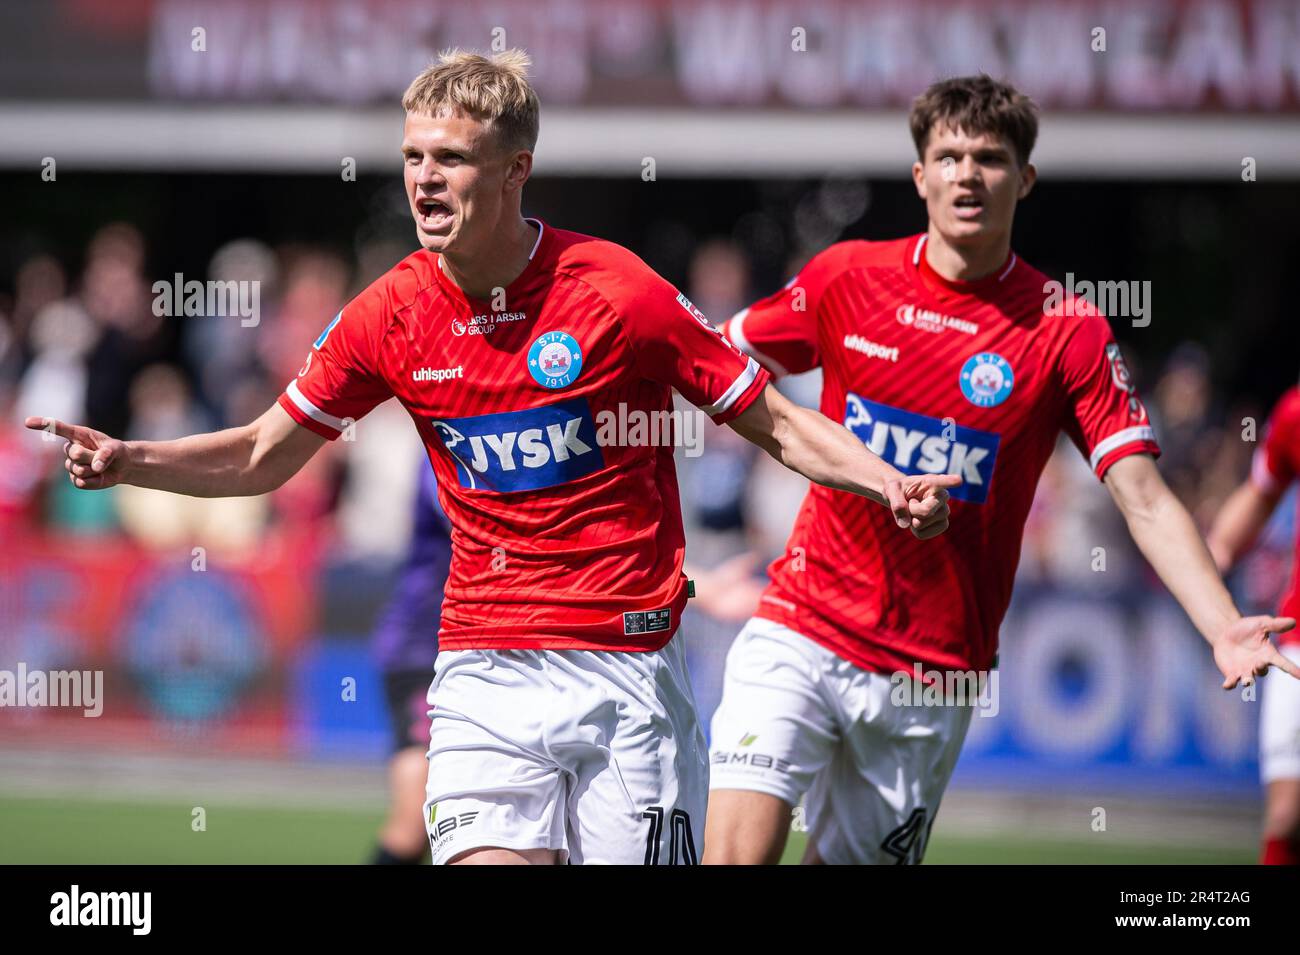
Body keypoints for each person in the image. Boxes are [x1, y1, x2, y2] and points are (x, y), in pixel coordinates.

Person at [25, 49, 956, 865]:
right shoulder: (391, 309)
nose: (425, 181)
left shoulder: (620, 293)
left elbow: (780, 423)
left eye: (452, 160)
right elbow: (265, 452)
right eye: (413, 158)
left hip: (625, 672)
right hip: (483, 664)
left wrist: (887, 479)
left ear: (516, 171)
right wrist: (130, 457)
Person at [705, 74, 1300, 865]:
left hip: (932, 675)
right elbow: (714, 358)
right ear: (920, 176)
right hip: (801, 626)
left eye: (989, 158)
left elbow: (1145, 497)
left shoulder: (1066, 331)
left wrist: (1223, 624)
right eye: (947, 156)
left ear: (1024, 177)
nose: (967, 175)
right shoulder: (848, 278)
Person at [1207, 385, 1300, 865]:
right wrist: (1211, 560)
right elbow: (1261, 492)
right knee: (1286, 818)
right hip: (1297, 640)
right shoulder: (1294, 412)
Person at [369, 458, 449, 865]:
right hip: (421, 652)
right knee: (416, 821)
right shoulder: (444, 448)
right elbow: (475, 522)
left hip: (492, 652)